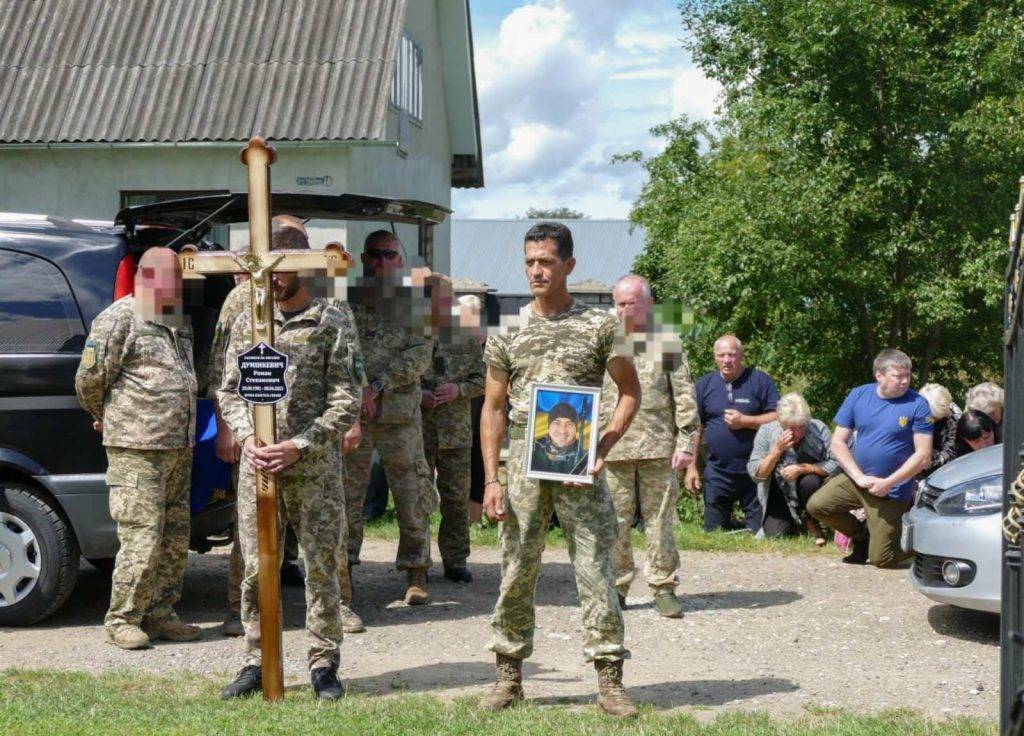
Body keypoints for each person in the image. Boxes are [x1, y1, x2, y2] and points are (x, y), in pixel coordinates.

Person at [479, 222, 642, 718]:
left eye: (546, 262)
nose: (536, 271)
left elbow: (629, 392)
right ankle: (508, 676)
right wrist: (491, 479)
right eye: (530, 261)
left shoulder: (601, 326)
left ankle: (609, 680)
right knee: (516, 567)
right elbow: (492, 407)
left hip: (580, 467)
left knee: (595, 567)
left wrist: (603, 447)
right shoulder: (507, 329)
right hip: (523, 466)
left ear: (568, 265)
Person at [218, 220, 361, 700]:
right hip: (258, 468)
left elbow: (346, 399)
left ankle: (323, 663)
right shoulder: (249, 321)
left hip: (312, 468)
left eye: (279, 269)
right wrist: (246, 436)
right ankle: (256, 660)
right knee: (257, 567)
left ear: (301, 265)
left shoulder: (330, 319)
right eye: (263, 271)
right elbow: (229, 390)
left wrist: (300, 444)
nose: (270, 279)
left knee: (321, 565)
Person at [74, 247, 202, 650]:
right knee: (142, 537)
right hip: (136, 447)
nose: (176, 285)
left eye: (178, 278)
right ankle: (123, 618)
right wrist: (108, 415)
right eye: (169, 277)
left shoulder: (176, 320)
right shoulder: (119, 318)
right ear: (145, 277)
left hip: (178, 446)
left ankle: (161, 614)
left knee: (174, 537)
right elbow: (89, 380)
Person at [343, 230, 434, 606]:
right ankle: (343, 571)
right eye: (375, 254)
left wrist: (378, 385)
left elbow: (420, 355)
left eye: (390, 254)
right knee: (348, 496)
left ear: (401, 261)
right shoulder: (346, 302)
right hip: (353, 418)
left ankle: (416, 572)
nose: (382, 261)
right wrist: (361, 388)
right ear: (365, 260)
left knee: (412, 494)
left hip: (400, 417)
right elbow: (341, 351)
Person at [599, 274, 697, 618]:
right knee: (615, 522)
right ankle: (618, 585)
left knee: (660, 522)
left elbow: (684, 396)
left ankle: (663, 586)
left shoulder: (665, 341)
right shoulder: (604, 341)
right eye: (619, 304)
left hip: (658, 447)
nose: (624, 310)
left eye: (631, 304)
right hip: (612, 447)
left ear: (649, 306)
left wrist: (686, 443)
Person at [806, 349, 932, 567]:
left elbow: (923, 456)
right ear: (879, 375)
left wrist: (888, 483)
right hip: (858, 480)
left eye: (908, 375)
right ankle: (862, 537)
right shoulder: (859, 395)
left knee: (881, 559)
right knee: (817, 505)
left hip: (892, 490)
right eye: (898, 376)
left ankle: (923, 546)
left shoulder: (918, 404)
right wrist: (858, 476)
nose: (905, 381)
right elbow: (838, 442)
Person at [420, 274, 485, 583]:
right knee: (417, 499)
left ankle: (455, 560)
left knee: (456, 499)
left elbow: (483, 379)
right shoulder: (409, 334)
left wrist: (459, 390)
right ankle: (417, 563)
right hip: (418, 429)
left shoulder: (465, 337)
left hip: (455, 432)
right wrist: (419, 394)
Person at [687, 335, 779, 533]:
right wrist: (691, 467)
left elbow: (777, 417)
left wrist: (745, 421)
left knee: (759, 532)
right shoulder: (704, 385)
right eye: (722, 355)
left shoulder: (759, 381)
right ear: (715, 357)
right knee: (713, 532)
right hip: (718, 472)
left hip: (756, 471)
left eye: (732, 355)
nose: (727, 360)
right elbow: (695, 428)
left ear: (741, 356)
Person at [747, 392, 836, 543]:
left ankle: (812, 521)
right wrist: (777, 450)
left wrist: (804, 468)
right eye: (792, 428)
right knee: (777, 536)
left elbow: (836, 463)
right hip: (779, 496)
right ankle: (795, 522)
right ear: (781, 423)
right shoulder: (767, 431)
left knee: (810, 481)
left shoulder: (819, 428)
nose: (797, 433)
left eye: (801, 426)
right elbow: (756, 474)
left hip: (811, 490)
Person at [530, 401, 590, 475]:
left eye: (569, 424)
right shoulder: (533, 451)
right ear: (549, 427)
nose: (562, 431)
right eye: (557, 423)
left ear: (576, 430)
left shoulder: (586, 457)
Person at [918, 383, 962, 473]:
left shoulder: (955, 416)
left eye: (937, 418)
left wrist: (926, 463)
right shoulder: (912, 410)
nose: (933, 421)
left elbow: (950, 451)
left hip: (939, 467)